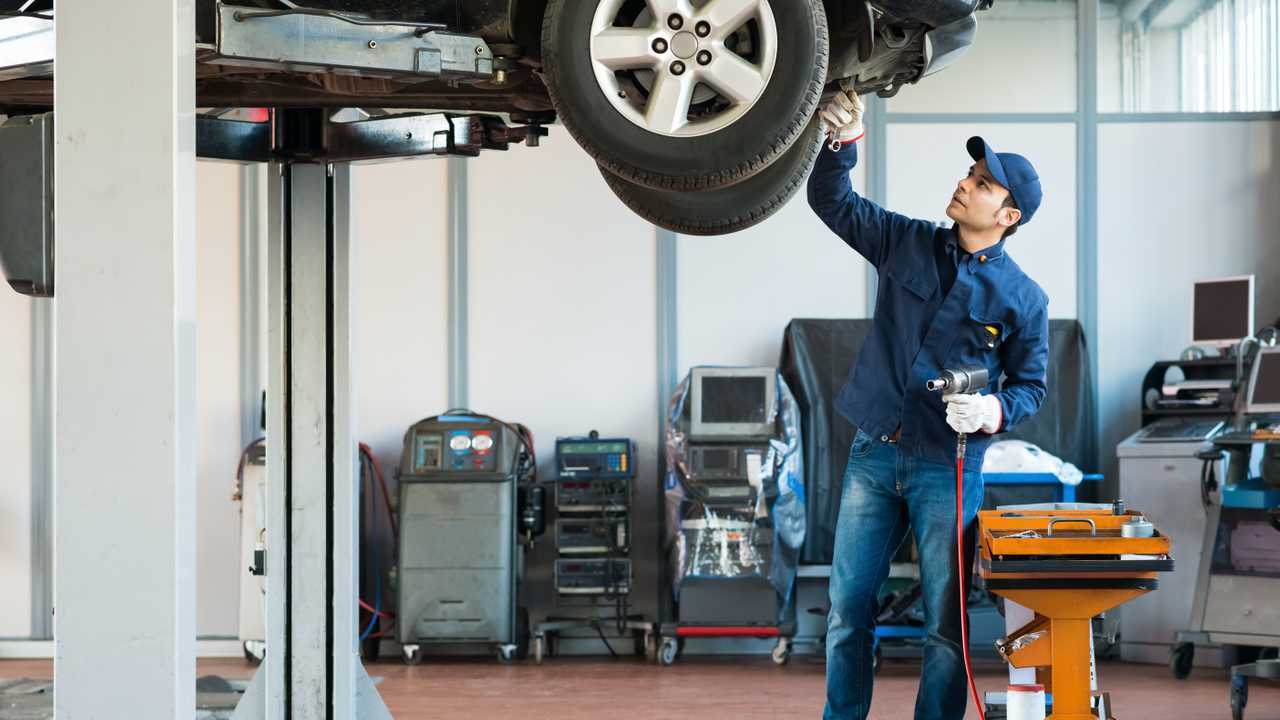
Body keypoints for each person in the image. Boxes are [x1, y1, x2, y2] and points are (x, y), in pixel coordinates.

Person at [808, 86, 1051, 720]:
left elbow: (1032, 385)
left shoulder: (1024, 299)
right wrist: (844, 142)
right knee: (846, 611)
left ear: (1010, 216)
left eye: (983, 185)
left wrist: (994, 410)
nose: (965, 186)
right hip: (873, 455)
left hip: (949, 467)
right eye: (969, 174)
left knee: (947, 625)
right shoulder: (905, 243)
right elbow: (831, 201)